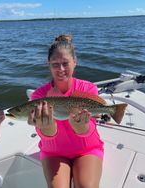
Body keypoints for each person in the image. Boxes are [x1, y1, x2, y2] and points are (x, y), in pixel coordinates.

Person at [28, 34, 104, 188]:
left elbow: (91, 128)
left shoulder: (88, 88)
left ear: (75, 62)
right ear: (48, 64)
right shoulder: (38, 95)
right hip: (54, 152)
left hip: (87, 148)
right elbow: (44, 134)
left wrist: (82, 127)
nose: (61, 69)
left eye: (65, 63)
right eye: (55, 64)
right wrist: (46, 129)